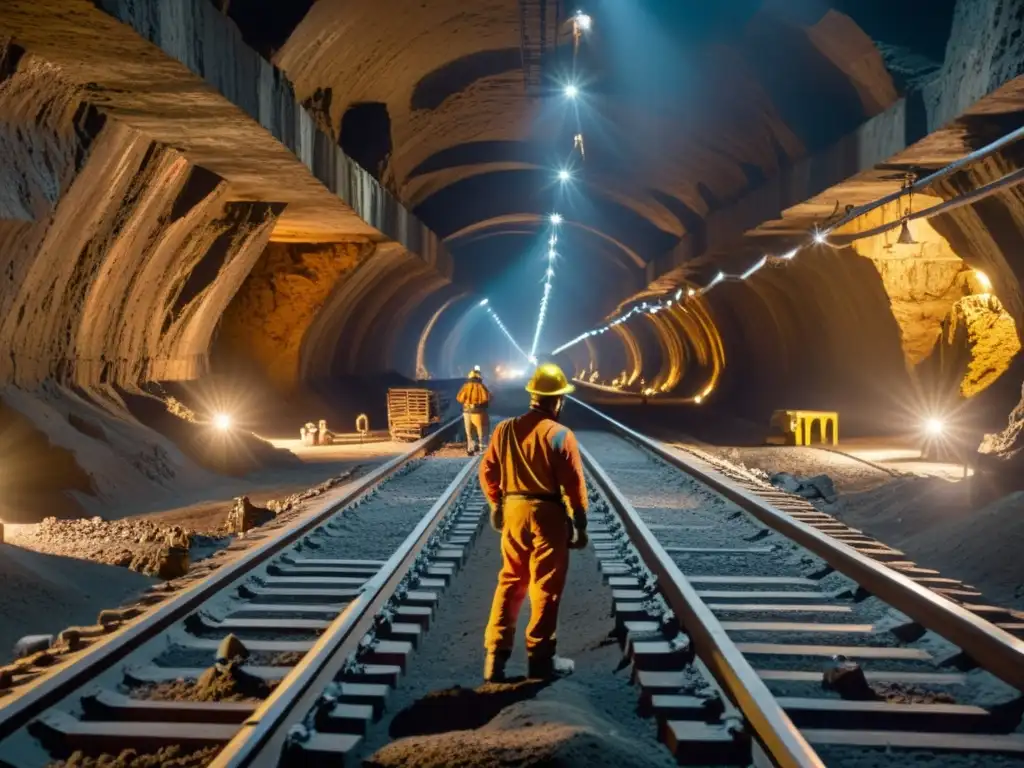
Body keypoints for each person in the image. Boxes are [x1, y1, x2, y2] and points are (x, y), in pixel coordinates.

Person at [478, 362, 589, 682]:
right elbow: (574, 485)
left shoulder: (505, 429)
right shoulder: (560, 435)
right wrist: (580, 524)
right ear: (557, 401)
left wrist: (496, 503)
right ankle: (540, 660)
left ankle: (494, 661)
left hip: (514, 510)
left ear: (533, 396)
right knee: (545, 586)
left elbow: (488, 471)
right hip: (547, 514)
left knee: (510, 581)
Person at [456, 366, 491, 455]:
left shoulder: (465, 386)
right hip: (478, 411)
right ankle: (482, 448)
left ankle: (470, 448)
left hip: (466, 411)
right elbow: (487, 397)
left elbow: (459, 398)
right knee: (480, 430)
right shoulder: (480, 386)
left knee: (469, 431)